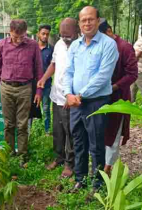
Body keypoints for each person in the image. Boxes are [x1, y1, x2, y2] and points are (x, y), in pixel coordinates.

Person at [63, 6, 119, 191]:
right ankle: (81, 179)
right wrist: (68, 94)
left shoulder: (108, 45)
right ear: (79, 23)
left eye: (90, 19)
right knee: (78, 142)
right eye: (83, 20)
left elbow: (103, 76)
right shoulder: (75, 46)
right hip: (76, 104)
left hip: (96, 102)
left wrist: (80, 95)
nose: (87, 23)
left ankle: (97, 183)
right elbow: (68, 72)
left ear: (98, 21)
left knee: (96, 144)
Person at [0, 19, 43, 166]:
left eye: (21, 37)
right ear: (10, 32)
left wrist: (39, 91)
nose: (18, 40)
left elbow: (39, 69)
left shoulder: (33, 46)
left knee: (22, 125)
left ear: (26, 33)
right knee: (8, 124)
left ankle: (22, 155)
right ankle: (9, 153)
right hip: (6, 88)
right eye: (15, 36)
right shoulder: (1, 45)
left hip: (25, 88)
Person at [37, 18, 79, 178]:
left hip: (71, 98)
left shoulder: (81, 45)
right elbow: (54, 64)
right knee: (57, 130)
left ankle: (70, 164)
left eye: (68, 35)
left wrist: (71, 96)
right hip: (57, 95)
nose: (65, 38)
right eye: (62, 35)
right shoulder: (60, 45)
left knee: (70, 132)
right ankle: (59, 157)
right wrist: (44, 78)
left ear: (76, 31)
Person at [98, 19, 138, 175]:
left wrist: (113, 87)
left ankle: (109, 166)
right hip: (100, 97)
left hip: (118, 97)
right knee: (101, 130)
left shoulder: (125, 47)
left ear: (109, 31)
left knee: (113, 132)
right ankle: (101, 162)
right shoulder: (100, 46)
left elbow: (132, 74)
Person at [30, 24, 53, 135]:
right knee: (31, 108)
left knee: (46, 108)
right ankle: (29, 131)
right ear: (38, 34)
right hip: (32, 84)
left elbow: (53, 67)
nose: (45, 36)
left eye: (47, 34)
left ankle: (47, 131)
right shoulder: (31, 48)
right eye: (43, 33)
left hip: (46, 85)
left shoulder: (51, 50)